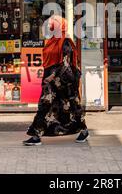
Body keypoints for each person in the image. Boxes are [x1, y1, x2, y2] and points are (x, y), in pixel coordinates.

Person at [23, 15, 89, 146]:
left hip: (64, 82)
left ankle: (84, 130)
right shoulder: (52, 41)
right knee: (45, 106)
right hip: (50, 82)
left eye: (52, 24)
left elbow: (66, 64)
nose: (49, 26)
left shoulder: (66, 42)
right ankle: (36, 135)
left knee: (72, 107)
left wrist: (52, 76)